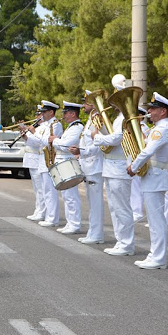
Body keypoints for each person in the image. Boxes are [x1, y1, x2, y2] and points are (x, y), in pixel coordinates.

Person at [127, 93, 168, 269]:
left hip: (155, 176)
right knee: (155, 221)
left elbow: (147, 152)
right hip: (153, 175)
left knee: (156, 221)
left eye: (153, 108)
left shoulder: (162, 129)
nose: (149, 111)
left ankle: (159, 258)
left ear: (163, 111)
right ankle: (154, 255)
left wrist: (133, 167)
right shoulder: (159, 127)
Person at [91, 76, 135, 256]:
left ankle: (127, 244)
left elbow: (117, 138)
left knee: (122, 208)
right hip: (110, 167)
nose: (113, 104)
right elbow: (111, 136)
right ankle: (120, 241)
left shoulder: (125, 116)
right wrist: (99, 127)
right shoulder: (117, 117)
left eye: (117, 100)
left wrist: (97, 137)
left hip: (119, 166)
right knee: (115, 208)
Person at [70, 91, 105, 244]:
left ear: (93, 104)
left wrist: (81, 151)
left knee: (96, 203)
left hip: (95, 166)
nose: (83, 105)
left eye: (85, 102)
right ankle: (93, 232)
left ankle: (97, 235)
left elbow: (99, 145)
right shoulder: (92, 119)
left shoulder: (99, 119)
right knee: (91, 203)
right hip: (88, 165)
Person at [49, 101, 84, 234]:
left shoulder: (77, 127)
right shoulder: (71, 127)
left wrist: (55, 140)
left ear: (73, 113)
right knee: (66, 195)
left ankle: (75, 224)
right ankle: (70, 223)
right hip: (63, 162)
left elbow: (66, 144)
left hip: (68, 161)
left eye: (66, 113)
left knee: (71, 196)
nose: (64, 116)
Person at [32, 101, 62, 227]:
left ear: (51, 112)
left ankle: (52, 218)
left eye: (44, 112)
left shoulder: (56, 125)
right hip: (42, 160)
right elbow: (38, 143)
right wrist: (27, 136)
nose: (42, 114)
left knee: (50, 191)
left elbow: (48, 141)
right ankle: (49, 216)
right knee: (45, 190)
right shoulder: (45, 125)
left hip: (51, 160)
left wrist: (34, 133)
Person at [22, 107, 45, 221]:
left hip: (37, 160)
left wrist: (32, 132)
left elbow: (38, 143)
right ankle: (38, 210)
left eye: (40, 114)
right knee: (36, 189)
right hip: (31, 160)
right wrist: (24, 134)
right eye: (37, 115)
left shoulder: (41, 129)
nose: (37, 117)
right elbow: (30, 142)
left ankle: (42, 211)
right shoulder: (37, 128)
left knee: (41, 189)